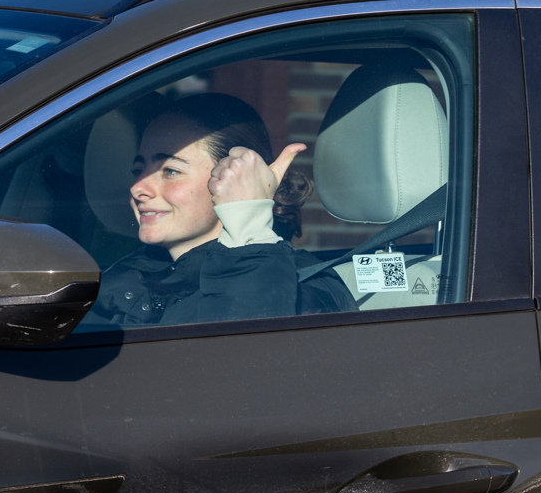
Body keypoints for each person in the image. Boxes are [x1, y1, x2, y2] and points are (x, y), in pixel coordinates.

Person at [84, 93, 356, 327]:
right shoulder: (125, 279)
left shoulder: (305, 290)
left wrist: (248, 226)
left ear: (234, 179)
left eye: (170, 171)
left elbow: (239, 360)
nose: (138, 188)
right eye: (138, 169)